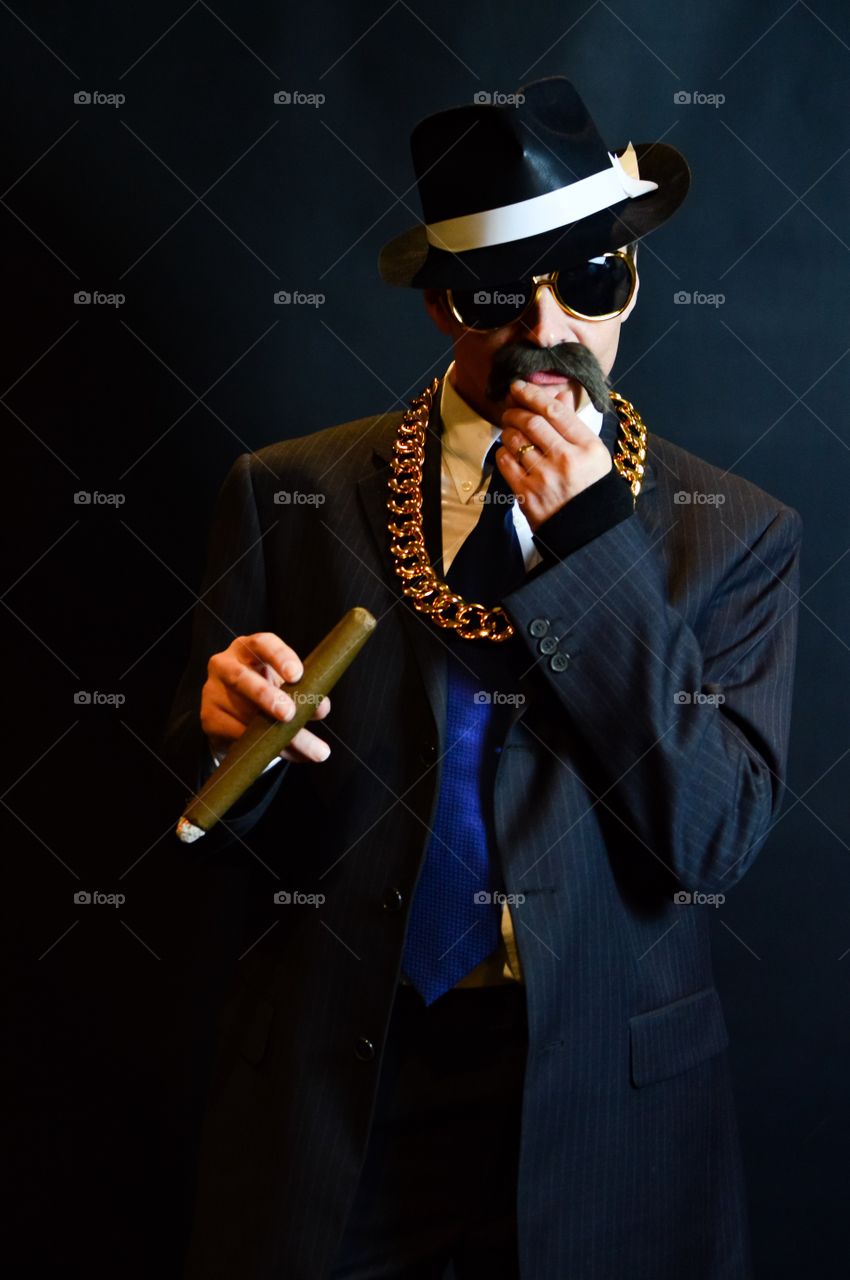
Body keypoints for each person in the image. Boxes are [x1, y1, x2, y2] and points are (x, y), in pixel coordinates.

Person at [163, 77, 802, 1280]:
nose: (549, 327)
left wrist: (594, 551)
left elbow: (708, 839)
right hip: (336, 1089)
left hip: (605, 1095)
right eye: (504, 291)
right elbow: (221, 834)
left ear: (632, 280)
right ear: (444, 304)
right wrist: (222, 743)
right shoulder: (286, 492)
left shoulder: (738, 534)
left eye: (591, 280)